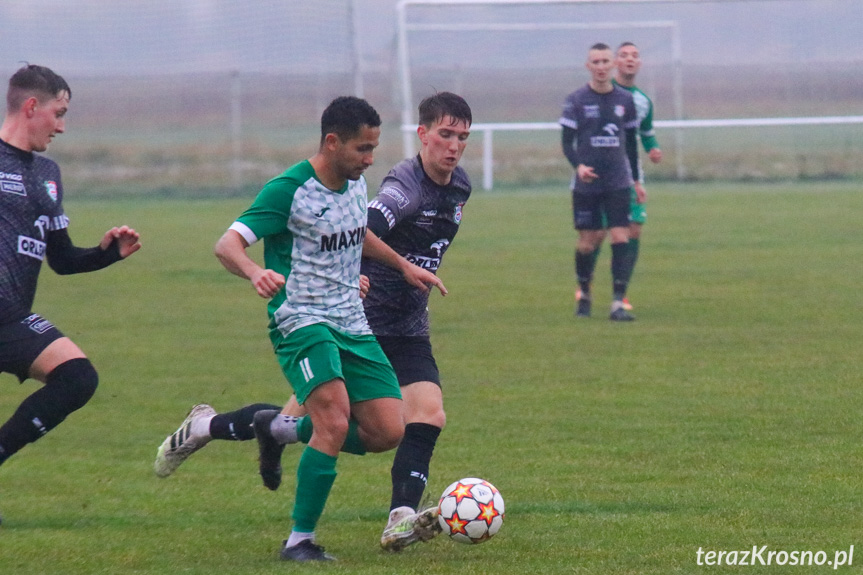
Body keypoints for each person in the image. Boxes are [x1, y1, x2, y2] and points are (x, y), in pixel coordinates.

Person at [153, 92, 473, 553]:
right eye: (363, 149)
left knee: (388, 430)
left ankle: (251, 428)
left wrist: (402, 267)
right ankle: (302, 539)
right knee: (334, 420)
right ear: (332, 143)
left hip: (356, 321)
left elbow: (356, 233)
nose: (370, 159)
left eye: (373, 149)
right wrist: (255, 271)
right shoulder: (298, 189)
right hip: (304, 319)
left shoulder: (361, 184)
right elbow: (227, 244)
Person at [0, 65, 141, 500]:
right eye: (57, 113)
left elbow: (60, 259)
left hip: (10, 318)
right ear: (30, 107)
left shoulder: (48, 175)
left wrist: (105, 254)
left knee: (78, 378)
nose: (61, 126)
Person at [575, 41, 663, 312]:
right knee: (597, 234)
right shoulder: (603, 95)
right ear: (615, 62)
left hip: (629, 175)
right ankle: (585, 290)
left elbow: (644, 133)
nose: (629, 60)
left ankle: (620, 294)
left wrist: (653, 149)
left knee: (632, 229)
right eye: (623, 55)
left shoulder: (642, 101)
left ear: (639, 63)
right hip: (601, 176)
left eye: (635, 55)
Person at [560, 43, 640, 321]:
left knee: (621, 235)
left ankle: (618, 302)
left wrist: (637, 181)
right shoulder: (576, 100)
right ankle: (584, 292)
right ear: (589, 66)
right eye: (596, 62)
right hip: (587, 185)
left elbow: (630, 144)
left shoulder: (625, 101)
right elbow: (566, 143)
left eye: (606, 61)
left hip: (618, 181)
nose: (602, 66)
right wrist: (578, 166)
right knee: (587, 243)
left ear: (613, 65)